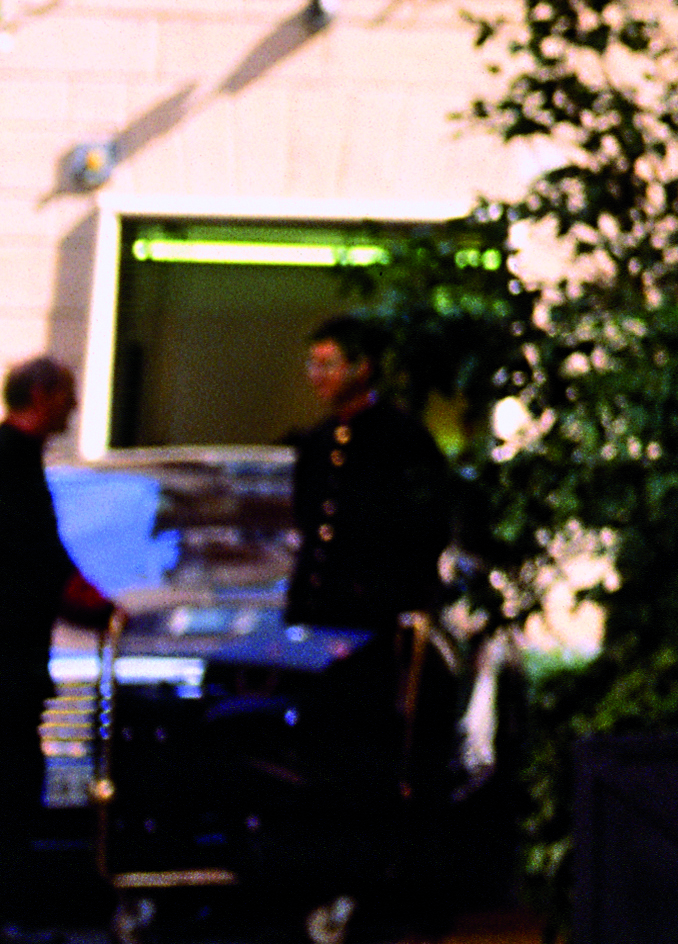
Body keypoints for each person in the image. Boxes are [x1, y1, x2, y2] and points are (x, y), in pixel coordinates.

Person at [274, 320, 462, 934]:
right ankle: (319, 883)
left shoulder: (402, 439)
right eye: (312, 364)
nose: (317, 377)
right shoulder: (316, 442)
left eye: (328, 364)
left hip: (369, 628)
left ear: (362, 368)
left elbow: (425, 527)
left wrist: (383, 595)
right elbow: (310, 529)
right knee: (318, 758)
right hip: (320, 625)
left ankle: (367, 888)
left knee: (367, 759)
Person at [0, 355, 115, 944]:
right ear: (41, 395)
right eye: (67, 394)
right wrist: (106, 608)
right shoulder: (5, 467)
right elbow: (39, 562)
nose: (74, 406)